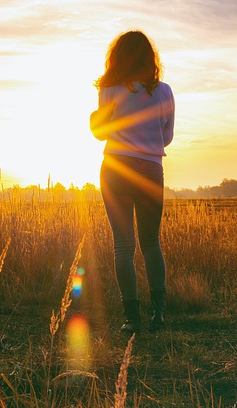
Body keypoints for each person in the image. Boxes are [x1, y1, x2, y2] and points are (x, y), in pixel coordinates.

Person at [90, 30, 175, 333]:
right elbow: (167, 136)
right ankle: (160, 314)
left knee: (123, 247)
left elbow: (100, 132)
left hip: (116, 167)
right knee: (151, 243)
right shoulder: (164, 91)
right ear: (149, 58)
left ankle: (131, 318)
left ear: (118, 58)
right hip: (151, 169)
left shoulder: (110, 88)